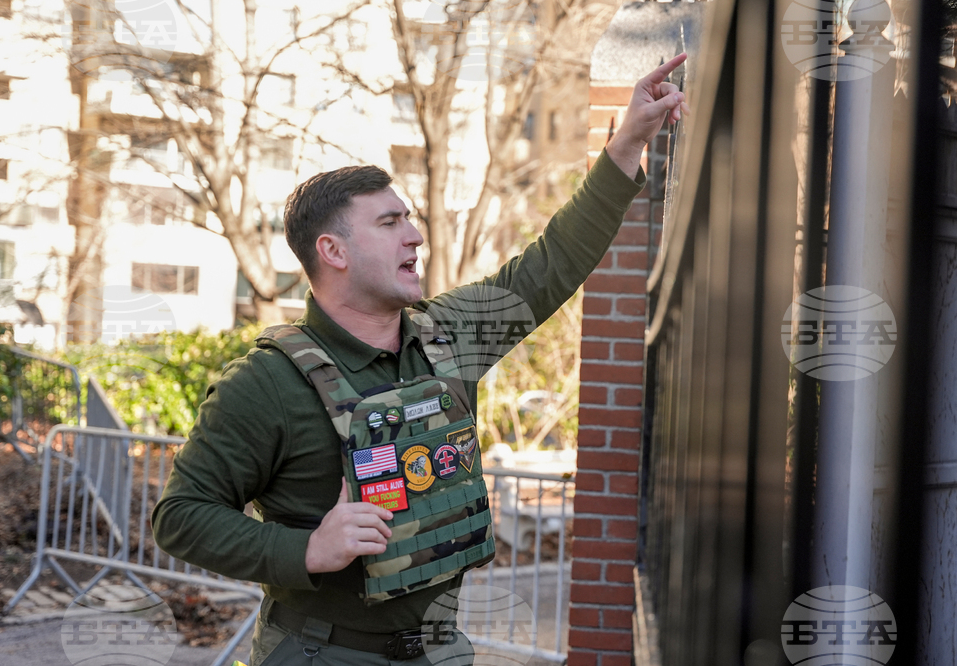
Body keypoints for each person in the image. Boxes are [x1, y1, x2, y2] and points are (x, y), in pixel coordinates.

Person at [152, 54, 689, 665]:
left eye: (409, 218)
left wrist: (626, 144)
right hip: (321, 653)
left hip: (440, 651)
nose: (415, 234)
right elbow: (181, 517)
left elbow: (550, 264)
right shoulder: (266, 381)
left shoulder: (450, 333)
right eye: (390, 222)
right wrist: (302, 551)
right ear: (334, 251)